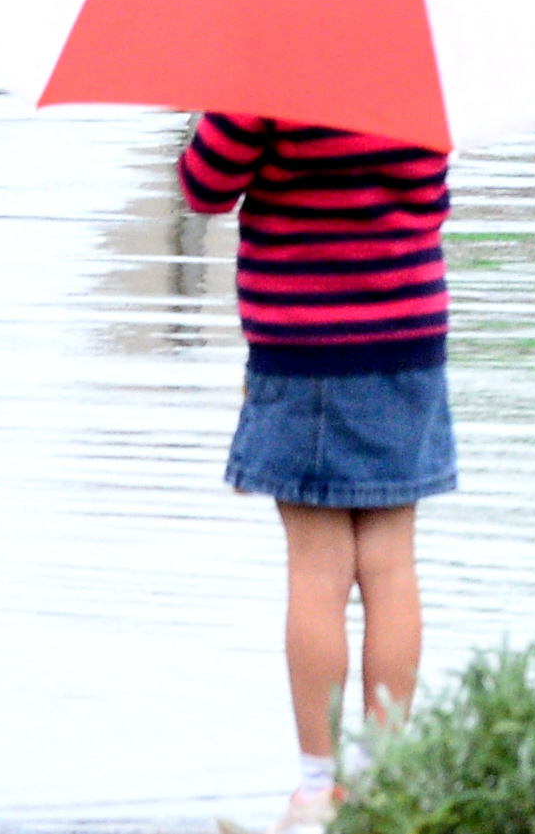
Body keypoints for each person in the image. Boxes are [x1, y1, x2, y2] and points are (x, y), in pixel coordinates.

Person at [178, 111, 456, 829]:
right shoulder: (421, 63)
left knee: (317, 567)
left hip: (306, 339)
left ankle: (317, 785)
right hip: (408, 338)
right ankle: (383, 776)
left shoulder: (270, 69)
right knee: (392, 564)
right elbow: (430, 197)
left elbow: (204, 185)